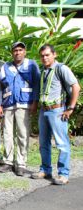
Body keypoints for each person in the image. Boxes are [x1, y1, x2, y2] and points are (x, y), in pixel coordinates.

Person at [31, 44, 81, 185]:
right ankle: (45, 169)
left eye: (47, 55)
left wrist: (70, 108)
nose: (45, 58)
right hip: (44, 110)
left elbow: (75, 86)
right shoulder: (43, 71)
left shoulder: (61, 69)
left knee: (61, 143)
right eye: (42, 55)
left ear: (54, 54)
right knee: (43, 143)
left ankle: (63, 174)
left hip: (58, 111)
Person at [0, 42, 40, 176]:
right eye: (15, 50)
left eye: (20, 50)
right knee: (8, 134)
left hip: (24, 103)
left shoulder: (31, 65)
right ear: (12, 53)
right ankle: (8, 162)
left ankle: (21, 163)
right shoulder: (5, 67)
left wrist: (35, 102)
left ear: (24, 52)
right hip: (8, 104)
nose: (18, 52)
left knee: (22, 134)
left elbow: (37, 84)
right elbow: (0, 86)